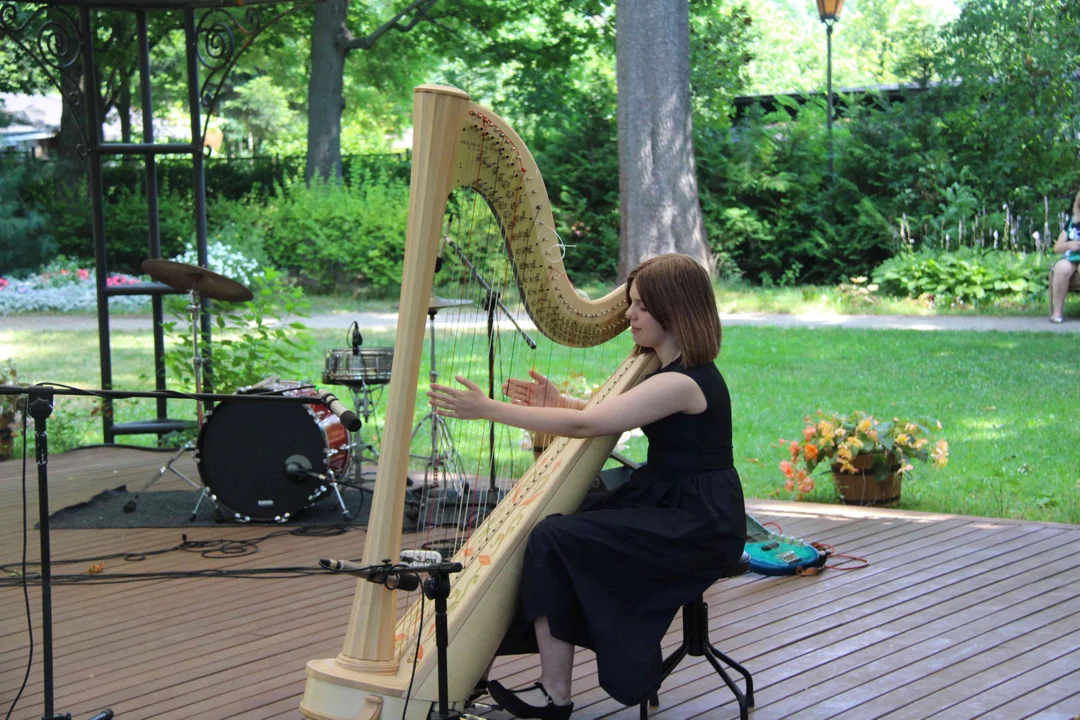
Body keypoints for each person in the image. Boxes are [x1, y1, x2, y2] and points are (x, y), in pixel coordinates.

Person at [427, 253, 747, 719]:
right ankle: (479, 664)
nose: (629, 316)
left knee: (554, 536)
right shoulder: (671, 370)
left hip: (698, 523)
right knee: (552, 529)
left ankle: (555, 693)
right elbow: (618, 415)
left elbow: (589, 426)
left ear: (673, 310)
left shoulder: (685, 380)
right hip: (671, 500)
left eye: (639, 307)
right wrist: (561, 402)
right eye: (630, 304)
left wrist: (489, 408)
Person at [1049, 189, 1080, 323]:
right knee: (1061, 267)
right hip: (1071, 258)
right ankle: (1057, 313)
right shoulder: (1071, 222)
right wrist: (1070, 244)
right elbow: (1057, 248)